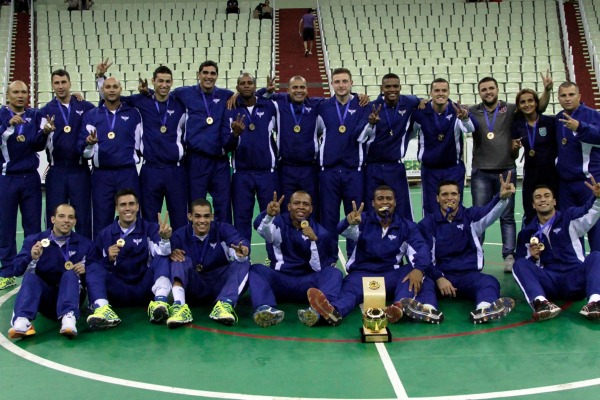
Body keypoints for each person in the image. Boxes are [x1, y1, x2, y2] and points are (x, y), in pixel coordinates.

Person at [307, 186, 442, 326]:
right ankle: (334, 312)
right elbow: (344, 231)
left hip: (391, 274)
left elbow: (421, 248)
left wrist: (419, 269)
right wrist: (348, 221)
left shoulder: (407, 226)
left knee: (412, 271)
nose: (385, 202)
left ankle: (399, 307)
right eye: (380, 199)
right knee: (348, 293)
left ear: (395, 202)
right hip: (361, 274)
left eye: (389, 198)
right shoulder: (361, 220)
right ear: (373, 203)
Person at [469, 73, 552, 272]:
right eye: (484, 89)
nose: (488, 92)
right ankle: (475, 254)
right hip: (481, 171)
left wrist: (547, 90)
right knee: (479, 216)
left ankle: (508, 255)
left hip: (506, 169)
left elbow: (537, 106)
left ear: (497, 90)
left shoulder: (512, 109)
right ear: (479, 93)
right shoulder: (473, 111)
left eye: (491, 88)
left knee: (507, 216)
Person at [96, 61, 188, 231]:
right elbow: (111, 98)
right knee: (149, 217)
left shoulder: (180, 104)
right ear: (153, 81)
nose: (164, 85)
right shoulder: (141, 101)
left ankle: (181, 253)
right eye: (160, 81)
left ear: (172, 83)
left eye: (168, 81)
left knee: (180, 216)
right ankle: (152, 255)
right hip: (150, 170)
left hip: (175, 171)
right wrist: (101, 78)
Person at [418, 175, 516, 323]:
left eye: (453, 194)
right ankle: (427, 310)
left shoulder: (470, 216)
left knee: (489, 281)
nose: (449, 198)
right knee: (424, 282)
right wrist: (438, 277)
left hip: (468, 276)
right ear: (437, 198)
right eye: (444, 194)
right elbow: (424, 256)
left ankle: (484, 309)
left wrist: (501, 198)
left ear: (459, 196)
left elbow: (489, 212)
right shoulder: (428, 223)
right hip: (442, 276)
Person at [249, 191, 341, 327]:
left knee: (334, 273)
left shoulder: (320, 232)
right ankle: (265, 308)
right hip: (280, 280)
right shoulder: (278, 223)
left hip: (306, 285)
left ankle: (317, 309)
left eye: (306, 204)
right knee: (256, 269)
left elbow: (319, 268)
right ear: (288, 206)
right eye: (296, 203)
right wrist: (268, 216)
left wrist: (314, 241)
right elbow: (261, 229)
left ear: (311, 209)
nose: (301, 207)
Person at [85, 189, 173, 329]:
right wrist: (108, 259)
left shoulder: (150, 228)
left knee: (163, 256)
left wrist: (165, 239)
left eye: (131, 204)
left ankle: (160, 302)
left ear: (137, 207)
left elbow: (163, 252)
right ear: (116, 208)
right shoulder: (105, 234)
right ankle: (102, 309)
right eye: (123, 204)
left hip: (145, 288)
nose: (128, 208)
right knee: (93, 267)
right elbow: (93, 267)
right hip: (118, 291)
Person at [513, 181, 600, 321]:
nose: (542, 199)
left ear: (554, 201)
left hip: (574, 279)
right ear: (533, 204)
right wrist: (533, 258)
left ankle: (595, 303)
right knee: (519, 264)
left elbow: (588, 211)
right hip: (549, 283)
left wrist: (597, 198)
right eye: (538, 197)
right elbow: (523, 266)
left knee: (596, 256)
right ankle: (541, 303)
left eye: (547, 196)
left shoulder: (569, 219)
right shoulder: (527, 233)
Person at [4, 204, 94, 339]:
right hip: (45, 299)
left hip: (72, 297)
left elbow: (96, 273)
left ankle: (68, 318)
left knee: (70, 274)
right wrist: (31, 257)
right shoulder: (34, 241)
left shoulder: (85, 244)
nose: (66, 220)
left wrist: (86, 270)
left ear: (75, 221)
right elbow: (16, 270)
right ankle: (22, 320)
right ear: (53, 219)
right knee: (30, 277)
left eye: (70, 217)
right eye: (61, 216)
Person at [167, 198, 250, 327]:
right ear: (190, 217)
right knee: (177, 259)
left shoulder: (222, 229)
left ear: (212, 216)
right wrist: (169, 249)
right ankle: (180, 307)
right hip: (194, 286)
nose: (202, 221)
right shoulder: (180, 235)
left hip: (219, 285)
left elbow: (238, 241)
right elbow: (166, 255)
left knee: (243, 261)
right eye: (197, 216)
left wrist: (242, 250)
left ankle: (224, 305)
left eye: (206, 216)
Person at [317, 68, 373, 259]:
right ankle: (329, 259)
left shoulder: (362, 104)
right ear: (332, 84)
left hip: (353, 171)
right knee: (328, 218)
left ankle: (354, 259)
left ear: (351, 83)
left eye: (344, 81)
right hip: (329, 172)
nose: (341, 85)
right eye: (337, 82)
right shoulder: (322, 106)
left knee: (355, 217)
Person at [171, 61, 234, 224]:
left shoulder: (226, 95)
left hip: (219, 161)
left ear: (217, 76)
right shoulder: (184, 93)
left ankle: (224, 245)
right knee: (196, 206)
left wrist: (237, 95)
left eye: (212, 73)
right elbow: (161, 93)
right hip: (196, 160)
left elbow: (247, 93)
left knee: (223, 205)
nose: (209, 76)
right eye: (205, 73)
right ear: (199, 74)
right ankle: (195, 244)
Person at [79, 76, 142, 238]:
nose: (112, 90)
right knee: (101, 218)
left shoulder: (134, 114)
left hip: (127, 173)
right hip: (102, 175)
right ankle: (102, 256)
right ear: (102, 90)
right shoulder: (91, 115)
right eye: (108, 87)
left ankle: (135, 251)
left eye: (115, 86)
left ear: (121, 89)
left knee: (131, 215)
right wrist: (90, 144)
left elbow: (140, 143)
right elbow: (85, 154)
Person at [222, 73, 278, 245]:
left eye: (249, 83)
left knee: (270, 218)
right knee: (241, 219)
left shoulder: (269, 106)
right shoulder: (230, 109)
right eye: (242, 83)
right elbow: (225, 145)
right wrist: (234, 135)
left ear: (255, 86)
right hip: (242, 174)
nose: (246, 86)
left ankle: (274, 259)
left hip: (267, 173)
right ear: (237, 88)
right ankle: (243, 260)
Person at [0, 81, 46, 290]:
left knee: (32, 226)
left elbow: (38, 145)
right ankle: (7, 270)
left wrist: (45, 133)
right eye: (16, 92)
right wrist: (9, 125)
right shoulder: (1, 114)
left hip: (30, 178)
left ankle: (31, 264)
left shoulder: (34, 115)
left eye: (24, 92)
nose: (20, 95)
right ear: (8, 95)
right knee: (5, 226)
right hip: (6, 178)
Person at [39, 69, 95, 239]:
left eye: (64, 82)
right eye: (57, 83)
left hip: (80, 170)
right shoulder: (46, 111)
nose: (61, 86)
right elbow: (39, 144)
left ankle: (85, 256)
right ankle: (52, 256)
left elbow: (103, 112)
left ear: (70, 83)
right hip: (57, 171)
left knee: (83, 216)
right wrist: (45, 132)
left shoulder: (85, 107)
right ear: (52, 86)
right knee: (54, 216)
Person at [362, 73, 422, 221]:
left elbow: (420, 100)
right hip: (372, 167)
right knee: (371, 207)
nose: (392, 89)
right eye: (388, 86)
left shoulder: (408, 102)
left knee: (402, 207)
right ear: (382, 88)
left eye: (395, 86)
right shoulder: (371, 107)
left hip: (395, 167)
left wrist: (422, 100)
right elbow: (359, 136)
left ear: (400, 87)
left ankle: (406, 242)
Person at [412, 78, 474, 216]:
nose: (441, 94)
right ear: (431, 93)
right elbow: (409, 133)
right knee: (430, 208)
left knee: (454, 207)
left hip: (453, 168)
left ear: (449, 92)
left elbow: (470, 129)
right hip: (430, 170)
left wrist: (464, 118)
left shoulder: (458, 110)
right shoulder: (420, 112)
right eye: (437, 90)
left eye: (444, 90)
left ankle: (454, 236)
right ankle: (430, 237)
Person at [554, 81, 600, 251]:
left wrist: (580, 127)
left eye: (571, 95)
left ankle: (597, 268)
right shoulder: (558, 118)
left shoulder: (591, 115)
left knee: (595, 226)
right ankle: (576, 267)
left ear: (579, 97)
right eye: (563, 95)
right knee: (571, 228)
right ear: (558, 98)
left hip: (588, 182)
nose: (567, 99)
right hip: (565, 185)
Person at [511, 89, 558, 225]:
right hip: (531, 173)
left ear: (537, 103)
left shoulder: (549, 122)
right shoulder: (517, 125)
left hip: (551, 172)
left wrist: (547, 90)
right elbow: (513, 155)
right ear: (518, 106)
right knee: (530, 209)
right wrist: (514, 149)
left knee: (555, 207)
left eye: (530, 100)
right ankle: (533, 242)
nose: (527, 104)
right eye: (523, 102)